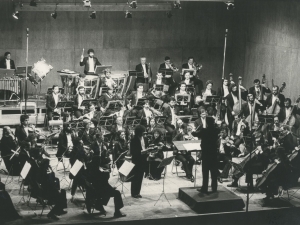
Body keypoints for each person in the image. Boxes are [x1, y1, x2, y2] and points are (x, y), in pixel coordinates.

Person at [192, 117, 219, 193]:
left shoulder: (204, 131)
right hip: (213, 153)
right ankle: (214, 188)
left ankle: (205, 188)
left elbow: (194, 134)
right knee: (214, 172)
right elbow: (217, 129)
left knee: (205, 171)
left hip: (206, 153)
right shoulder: (216, 130)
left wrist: (197, 129)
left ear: (206, 123)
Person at [130, 125, 148, 198]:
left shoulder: (145, 138)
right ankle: (133, 193)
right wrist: (141, 152)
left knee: (140, 177)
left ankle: (138, 192)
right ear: (138, 133)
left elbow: (146, 147)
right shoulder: (133, 140)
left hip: (143, 160)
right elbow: (132, 151)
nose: (144, 134)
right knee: (135, 177)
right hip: (136, 160)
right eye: (142, 132)